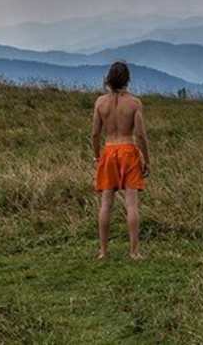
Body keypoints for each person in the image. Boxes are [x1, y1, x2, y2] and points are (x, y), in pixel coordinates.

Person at [92, 61, 150, 260]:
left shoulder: (100, 103)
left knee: (106, 204)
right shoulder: (135, 103)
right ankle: (134, 251)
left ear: (108, 79)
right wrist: (147, 160)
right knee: (131, 204)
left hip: (108, 150)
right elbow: (141, 135)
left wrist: (97, 155)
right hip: (128, 150)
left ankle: (103, 251)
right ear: (127, 80)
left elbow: (94, 134)